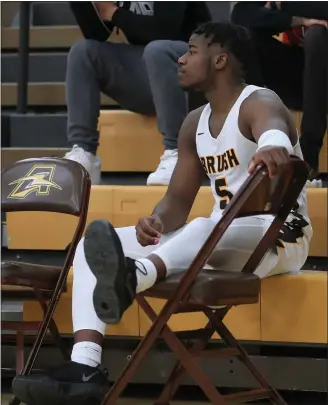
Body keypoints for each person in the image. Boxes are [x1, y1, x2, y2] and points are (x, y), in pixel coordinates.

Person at [12, 22, 313, 405]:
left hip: (278, 236)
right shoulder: (193, 124)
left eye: (191, 50)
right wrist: (155, 222)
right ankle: (85, 365)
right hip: (218, 240)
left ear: (220, 59)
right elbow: (175, 204)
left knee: (209, 225)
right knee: (94, 243)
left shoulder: (258, 101)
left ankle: (132, 278)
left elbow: (273, 124)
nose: (181, 59)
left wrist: (273, 145)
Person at [64, 1, 210, 185]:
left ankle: (177, 151)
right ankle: (84, 154)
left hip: (195, 74)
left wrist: (114, 13)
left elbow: (166, 30)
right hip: (150, 74)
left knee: (157, 49)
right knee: (83, 52)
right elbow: (97, 33)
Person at [231, 1, 328, 187]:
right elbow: (241, 14)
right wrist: (297, 19)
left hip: (323, 77)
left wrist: (281, 4)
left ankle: (308, 158)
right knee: (245, 36)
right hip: (297, 78)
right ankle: (255, 147)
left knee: (317, 35)